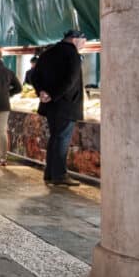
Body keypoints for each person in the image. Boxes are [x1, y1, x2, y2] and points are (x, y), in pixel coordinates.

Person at [33, 29, 86, 187]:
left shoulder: (48, 53)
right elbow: (70, 80)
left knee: (55, 138)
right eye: (84, 41)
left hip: (50, 106)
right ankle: (60, 175)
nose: (84, 45)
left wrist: (42, 92)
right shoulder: (72, 55)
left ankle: (50, 173)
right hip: (66, 105)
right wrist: (53, 94)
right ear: (75, 39)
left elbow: (34, 76)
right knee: (62, 139)